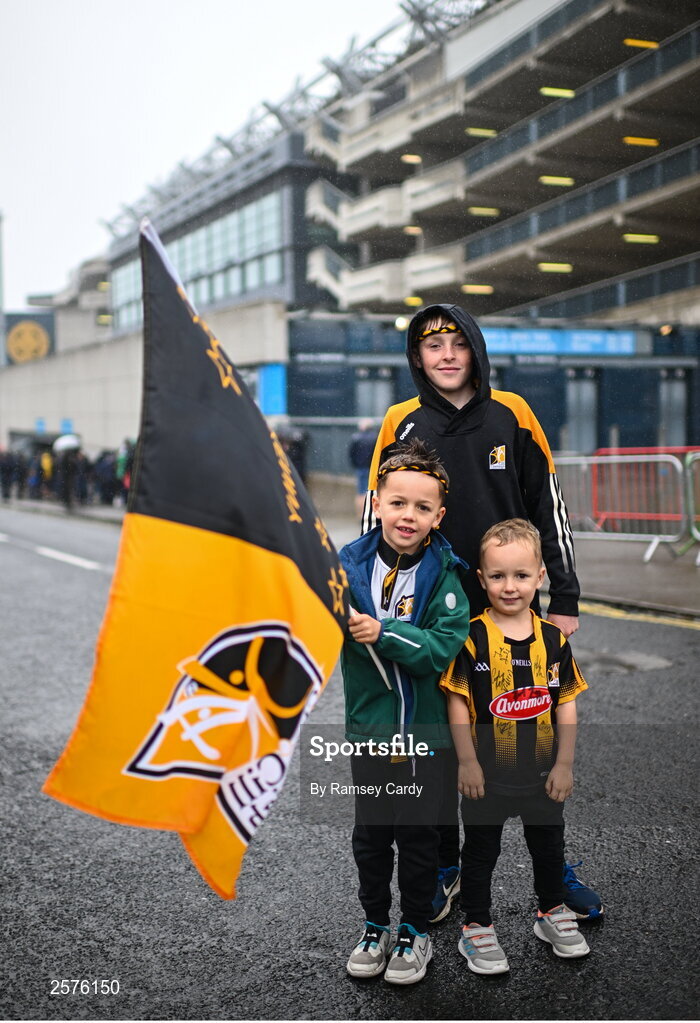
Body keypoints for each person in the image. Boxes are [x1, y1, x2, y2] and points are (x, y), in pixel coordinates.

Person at [363, 303, 602, 922]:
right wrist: (370, 604)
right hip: (431, 616)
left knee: (528, 741)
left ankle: (555, 870)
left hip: (511, 607)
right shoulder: (400, 421)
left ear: (474, 349)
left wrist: (566, 597)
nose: (445, 355)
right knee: (446, 742)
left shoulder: (513, 414)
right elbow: (377, 519)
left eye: (456, 343)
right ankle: (447, 863)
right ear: (416, 358)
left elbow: (548, 507)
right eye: (431, 345)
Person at [340, 438, 470, 985]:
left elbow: (442, 649)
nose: (408, 516)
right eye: (397, 503)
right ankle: (375, 925)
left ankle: (415, 929)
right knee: (371, 836)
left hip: (423, 735)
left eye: (421, 507)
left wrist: (383, 631)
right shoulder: (345, 566)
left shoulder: (447, 575)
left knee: (417, 836)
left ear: (439, 515)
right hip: (369, 731)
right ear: (376, 502)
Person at [441, 519, 590, 973]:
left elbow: (566, 706)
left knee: (548, 848)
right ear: (481, 580)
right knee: (481, 853)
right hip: (487, 776)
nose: (511, 586)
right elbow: (457, 704)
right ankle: (477, 927)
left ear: (540, 578)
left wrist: (564, 765)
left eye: (522, 575)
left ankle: (550, 913)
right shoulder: (471, 637)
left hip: (542, 776)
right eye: (499, 576)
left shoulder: (553, 640)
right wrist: (466, 762)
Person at [348, 419, 377, 517]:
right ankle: (371, 514)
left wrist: (356, 464)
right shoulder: (375, 438)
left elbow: (351, 454)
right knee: (372, 490)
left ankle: (360, 514)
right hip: (372, 468)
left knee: (360, 492)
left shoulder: (356, 438)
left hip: (360, 468)